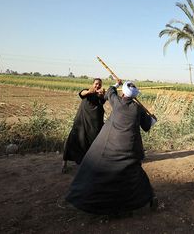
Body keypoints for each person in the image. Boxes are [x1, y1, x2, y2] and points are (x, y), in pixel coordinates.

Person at [65, 80, 158, 215]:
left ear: (123, 95)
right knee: (135, 175)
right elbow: (147, 126)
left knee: (95, 168)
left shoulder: (117, 103)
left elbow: (109, 91)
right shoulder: (137, 109)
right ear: (134, 96)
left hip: (109, 146)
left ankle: (84, 198)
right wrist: (153, 119)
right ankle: (149, 197)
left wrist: (116, 84)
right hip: (130, 149)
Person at [62, 78, 106, 173]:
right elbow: (82, 93)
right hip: (81, 122)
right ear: (92, 84)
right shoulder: (87, 92)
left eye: (99, 85)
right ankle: (64, 163)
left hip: (94, 125)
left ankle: (91, 164)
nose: (97, 86)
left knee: (93, 143)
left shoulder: (100, 96)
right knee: (73, 141)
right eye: (96, 84)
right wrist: (89, 91)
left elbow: (106, 96)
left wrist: (103, 94)